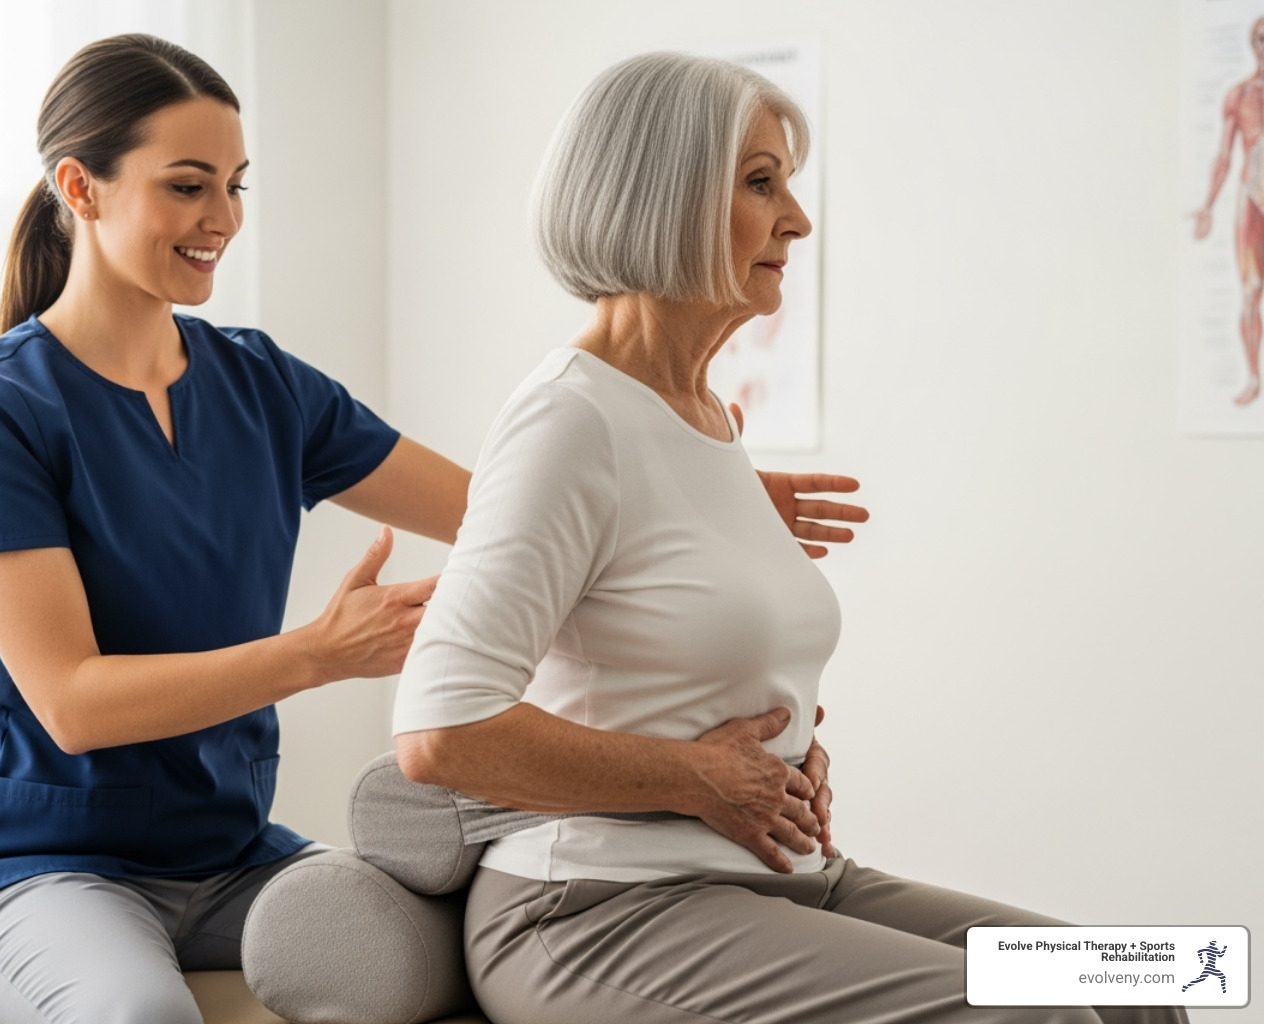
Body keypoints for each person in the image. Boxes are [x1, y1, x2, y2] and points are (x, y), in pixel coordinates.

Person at [0, 35, 867, 1024]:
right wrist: (318, 655)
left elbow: (505, 510)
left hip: (232, 855)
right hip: (38, 858)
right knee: (143, 1018)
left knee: (429, 969)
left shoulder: (258, 383)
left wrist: (708, 507)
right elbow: (71, 703)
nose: (222, 219)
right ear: (81, 185)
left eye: (236, 186)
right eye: (189, 186)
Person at [393, 52, 1189, 1024]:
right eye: (761, 184)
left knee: (1143, 982)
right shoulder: (570, 420)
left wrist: (788, 756)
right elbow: (441, 730)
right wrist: (700, 777)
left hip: (780, 877)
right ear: (665, 197)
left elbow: (676, 665)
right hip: (597, 910)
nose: (797, 221)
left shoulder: (702, 417)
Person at [1193, 15, 1264, 406]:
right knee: (1251, 291)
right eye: (1260, 39)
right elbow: (1222, 156)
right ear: (1252, 44)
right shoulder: (1239, 95)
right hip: (1251, 199)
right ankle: (1254, 377)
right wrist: (1207, 205)